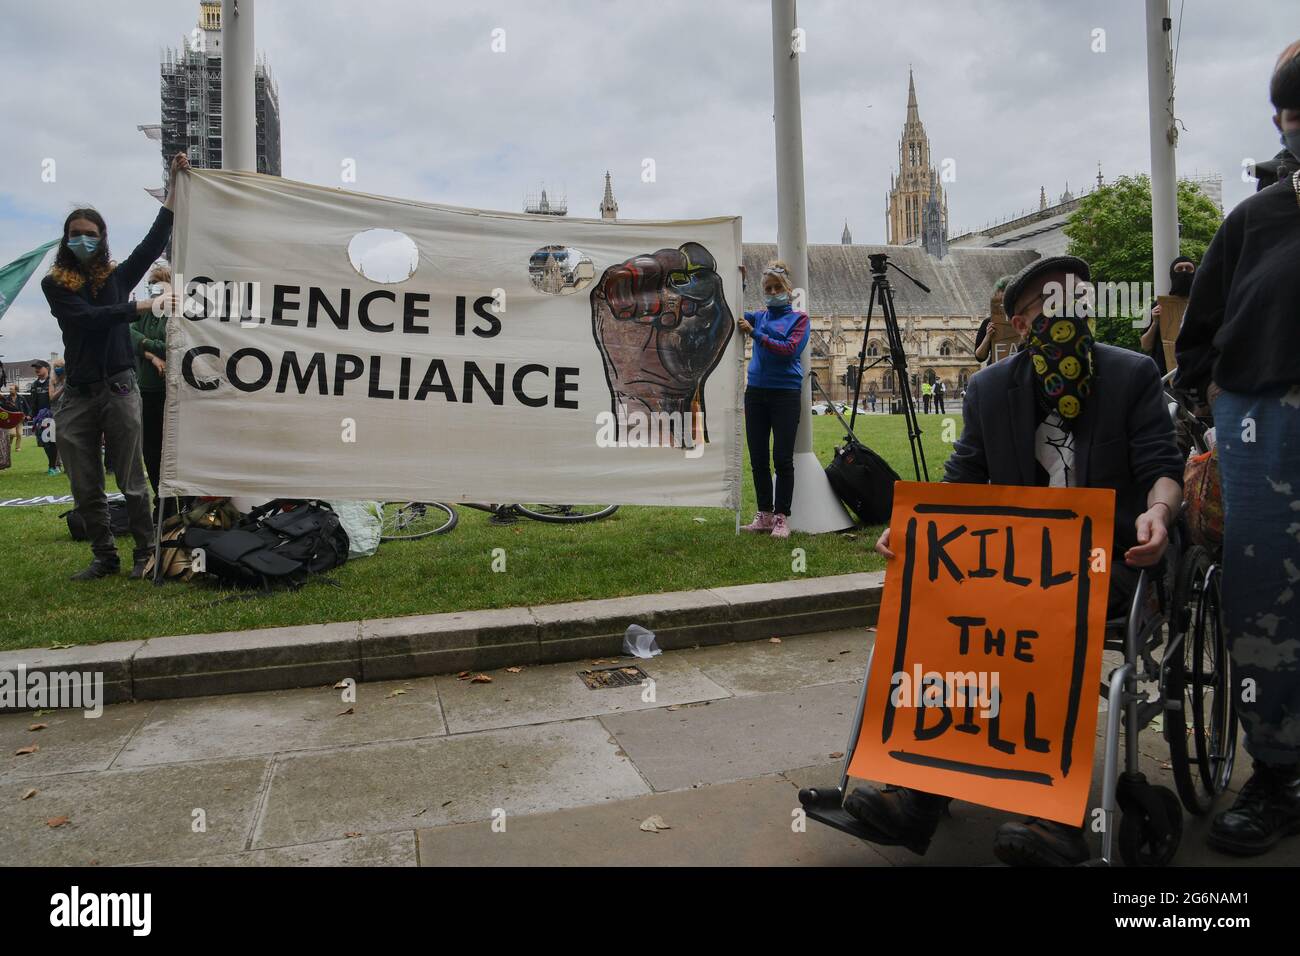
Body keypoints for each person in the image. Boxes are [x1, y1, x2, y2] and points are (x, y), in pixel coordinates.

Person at [847, 255, 1184, 866]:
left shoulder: (1131, 375)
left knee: (1053, 626)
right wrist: (912, 530)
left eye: (1074, 306)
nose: (1064, 321)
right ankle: (919, 791)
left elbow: (1162, 467)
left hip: (1106, 566)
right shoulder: (989, 388)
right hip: (1012, 567)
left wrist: (1158, 513)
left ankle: (1052, 815)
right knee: (937, 613)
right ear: (1022, 326)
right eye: (1046, 311)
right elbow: (962, 481)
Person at [1174, 40, 1300, 858]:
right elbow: (1199, 341)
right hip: (1266, 436)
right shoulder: (1256, 220)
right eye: (1294, 116)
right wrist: (1218, 404)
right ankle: (1280, 771)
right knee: (1264, 606)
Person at [41, 151, 188, 580]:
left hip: (120, 387)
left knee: (133, 479)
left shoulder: (117, 276)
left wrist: (175, 185)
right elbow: (85, 320)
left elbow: (154, 239)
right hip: (79, 394)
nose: (82, 239)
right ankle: (104, 556)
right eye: (75, 233)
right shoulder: (56, 284)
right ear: (66, 239)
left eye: (89, 233)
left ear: (102, 237)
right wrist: (139, 305)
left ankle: (145, 551)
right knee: (84, 485)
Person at [737, 260, 809, 539]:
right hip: (755, 392)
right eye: (768, 288)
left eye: (777, 287)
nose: (772, 291)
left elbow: (789, 350)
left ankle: (782, 517)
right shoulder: (759, 315)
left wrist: (755, 333)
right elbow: (731, 311)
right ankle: (764, 514)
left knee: (782, 459)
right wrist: (739, 284)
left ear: (788, 289)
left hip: (785, 395)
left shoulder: (799, 320)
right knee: (757, 458)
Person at [131, 261, 171, 510]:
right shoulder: (144, 313)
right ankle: (162, 501)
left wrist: (146, 345)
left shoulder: (177, 313)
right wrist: (152, 354)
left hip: (172, 390)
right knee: (151, 450)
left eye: (158, 285)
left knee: (172, 449)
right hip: (147, 390)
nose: (154, 290)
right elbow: (126, 334)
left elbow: (170, 344)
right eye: (151, 286)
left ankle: (183, 502)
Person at [1140, 256, 1196, 379]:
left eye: (1188, 268)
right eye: (1179, 269)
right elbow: (1145, 345)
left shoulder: (1204, 304)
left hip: (1196, 375)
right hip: (1164, 377)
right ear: (1172, 274)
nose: (1184, 272)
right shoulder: (1158, 306)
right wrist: (1155, 323)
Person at [973, 275, 1015, 366]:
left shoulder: (1026, 320)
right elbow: (979, 357)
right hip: (996, 371)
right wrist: (988, 337)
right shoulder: (989, 322)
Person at [27, 361, 60, 475]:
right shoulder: (34, 385)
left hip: (52, 415)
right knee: (45, 443)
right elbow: (33, 402)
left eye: (39, 367)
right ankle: (54, 465)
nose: (37, 370)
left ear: (47, 368)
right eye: (35, 368)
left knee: (51, 442)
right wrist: (31, 415)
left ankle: (53, 467)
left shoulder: (52, 381)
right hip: (40, 418)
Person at [3, 384, 23, 454]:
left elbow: (27, 407)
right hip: (11, 419)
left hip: (19, 419)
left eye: (11, 389)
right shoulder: (6, 399)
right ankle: (9, 445)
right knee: (12, 434)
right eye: (10, 389)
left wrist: (28, 415)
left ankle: (17, 447)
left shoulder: (21, 398)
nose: (10, 390)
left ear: (16, 390)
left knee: (19, 434)